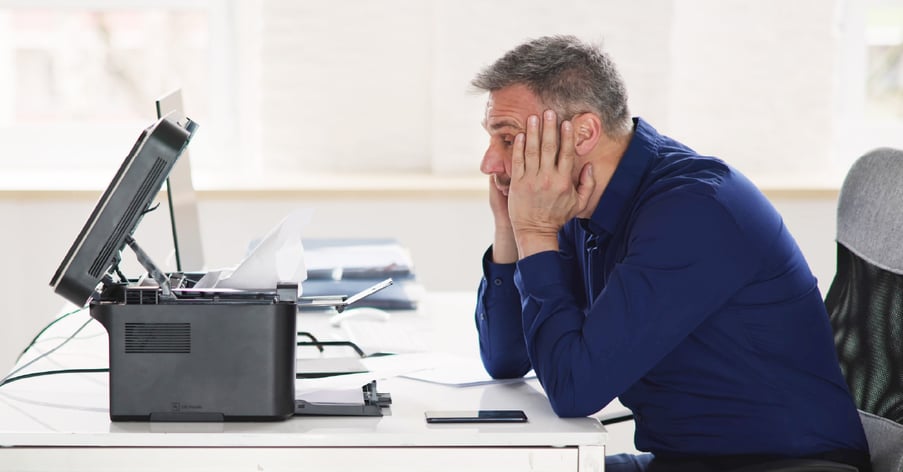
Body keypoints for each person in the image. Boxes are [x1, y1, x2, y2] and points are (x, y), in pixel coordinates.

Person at [471, 35, 870, 472]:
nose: (489, 163)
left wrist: (535, 229)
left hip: (784, 465)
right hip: (685, 461)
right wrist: (511, 226)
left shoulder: (693, 211)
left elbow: (573, 391)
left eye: (508, 140)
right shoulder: (579, 204)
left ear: (583, 133)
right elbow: (506, 358)